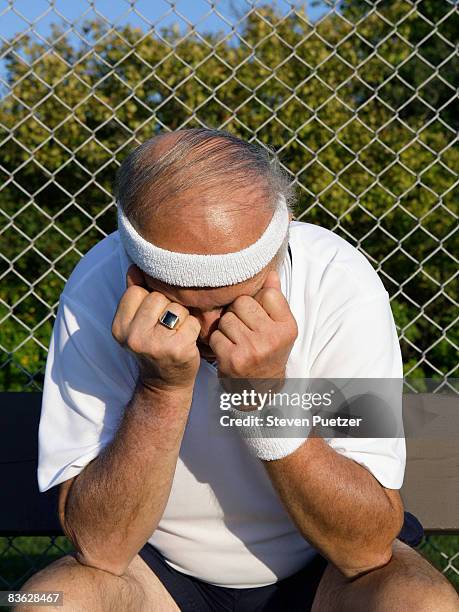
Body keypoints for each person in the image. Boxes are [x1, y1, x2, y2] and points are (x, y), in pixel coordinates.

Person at [18, 129, 458, 611]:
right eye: (180, 304)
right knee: (48, 601)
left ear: (278, 252)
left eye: (232, 301)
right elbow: (100, 549)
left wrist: (266, 398)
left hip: (324, 573)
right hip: (158, 576)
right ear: (135, 273)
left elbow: (366, 547)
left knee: (423, 603)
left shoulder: (340, 281)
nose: (208, 331)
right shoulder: (94, 290)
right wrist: (161, 389)